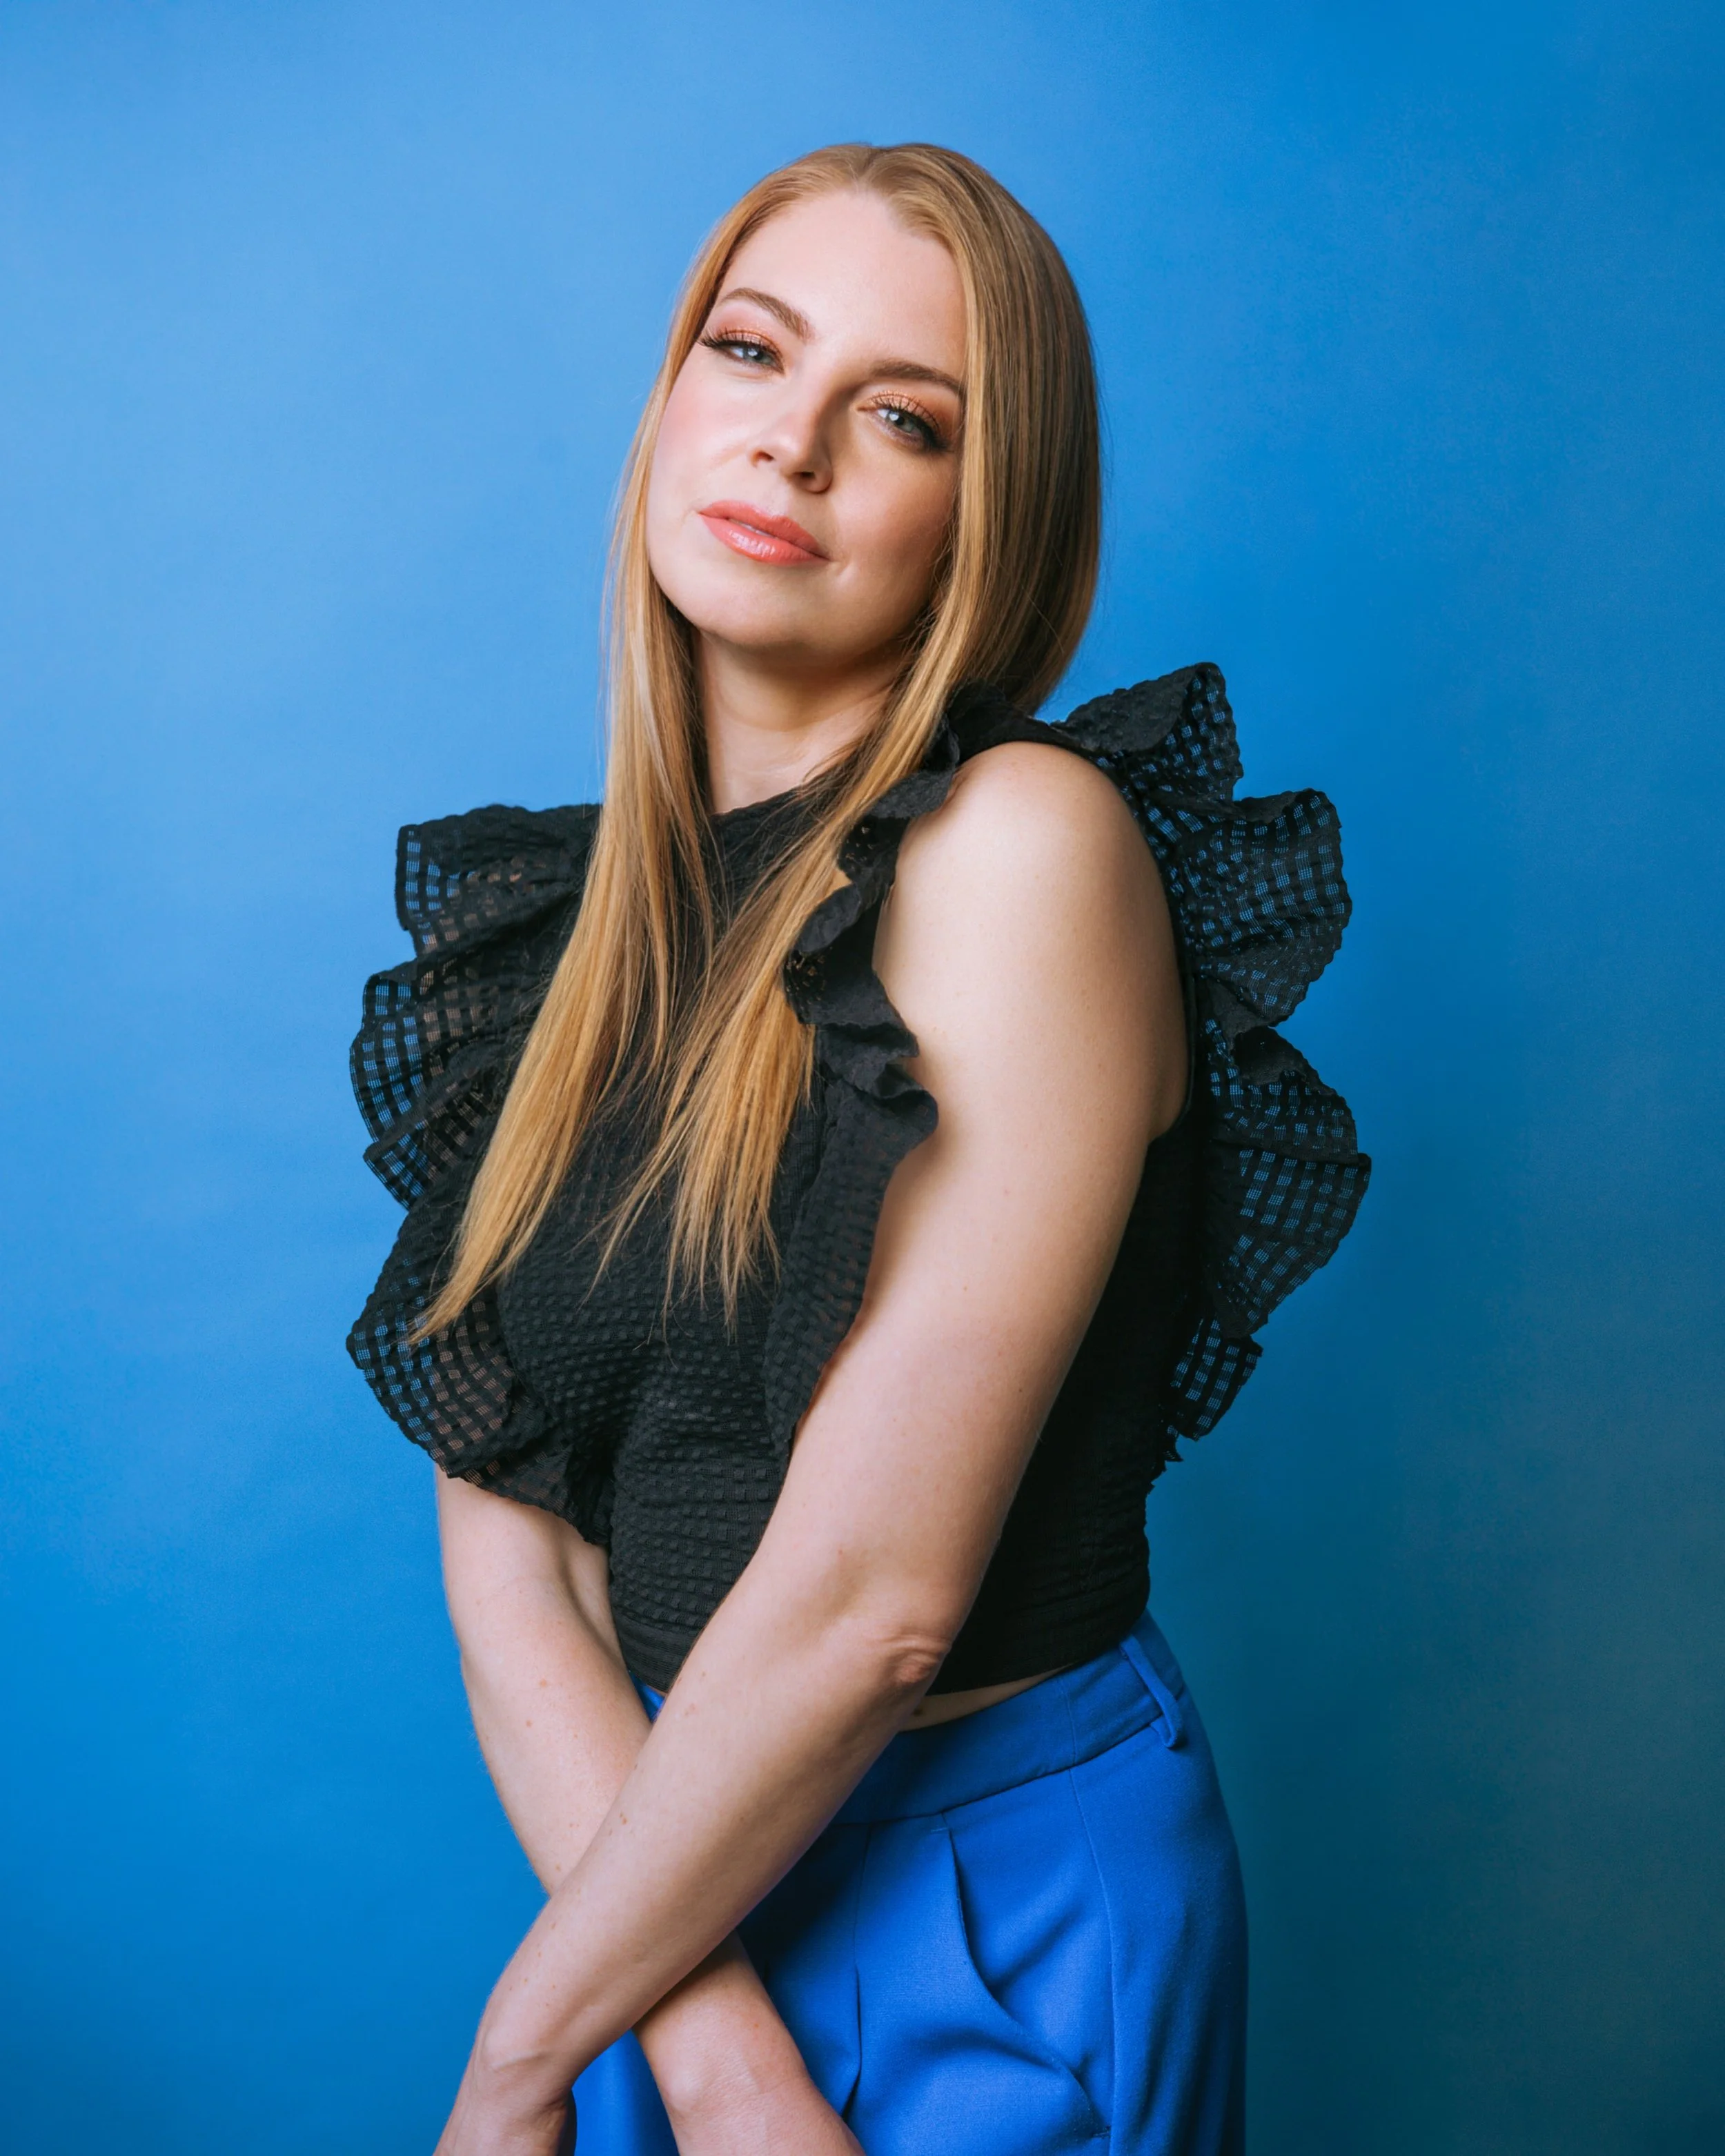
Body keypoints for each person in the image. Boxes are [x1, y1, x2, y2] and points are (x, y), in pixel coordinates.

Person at [348, 141, 1368, 2156]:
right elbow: (512, 1556)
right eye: (750, 351)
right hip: (668, 1898)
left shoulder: (1022, 852)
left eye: (902, 418)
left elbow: (879, 1595)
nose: (790, 445)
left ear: (987, 519)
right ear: (671, 395)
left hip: (988, 1901)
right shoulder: (571, 933)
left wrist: (516, 2066)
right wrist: (706, 2045)